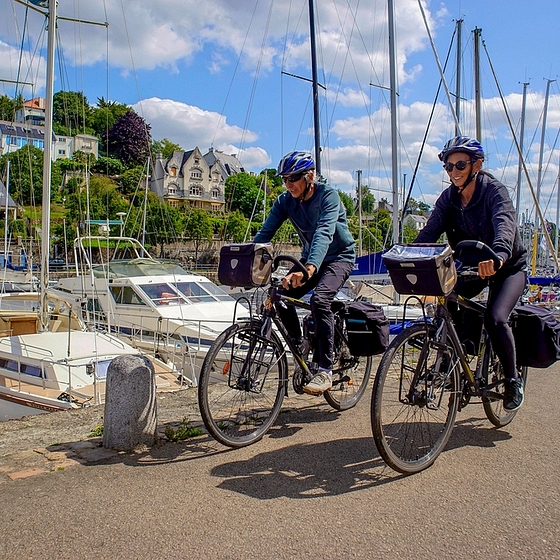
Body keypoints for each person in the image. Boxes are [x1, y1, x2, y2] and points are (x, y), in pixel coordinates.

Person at [415, 136, 527, 411]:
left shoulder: (494, 192)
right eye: (448, 167)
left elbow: (504, 223)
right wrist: (406, 254)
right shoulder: (449, 199)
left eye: (460, 165)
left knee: (496, 317)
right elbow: (429, 233)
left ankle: (513, 380)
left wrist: (499, 255)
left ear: (476, 165)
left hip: (505, 266)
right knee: (449, 305)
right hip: (470, 267)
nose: (454, 172)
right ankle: (454, 363)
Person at [253, 151, 356, 395]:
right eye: (284, 180)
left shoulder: (328, 196)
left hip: (338, 258)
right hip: (311, 258)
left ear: (309, 176)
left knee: (320, 300)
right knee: (279, 294)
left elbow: (324, 232)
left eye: (293, 179)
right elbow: (264, 234)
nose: (288, 185)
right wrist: (246, 262)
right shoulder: (284, 201)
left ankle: (325, 370)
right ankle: (300, 343)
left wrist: (309, 269)